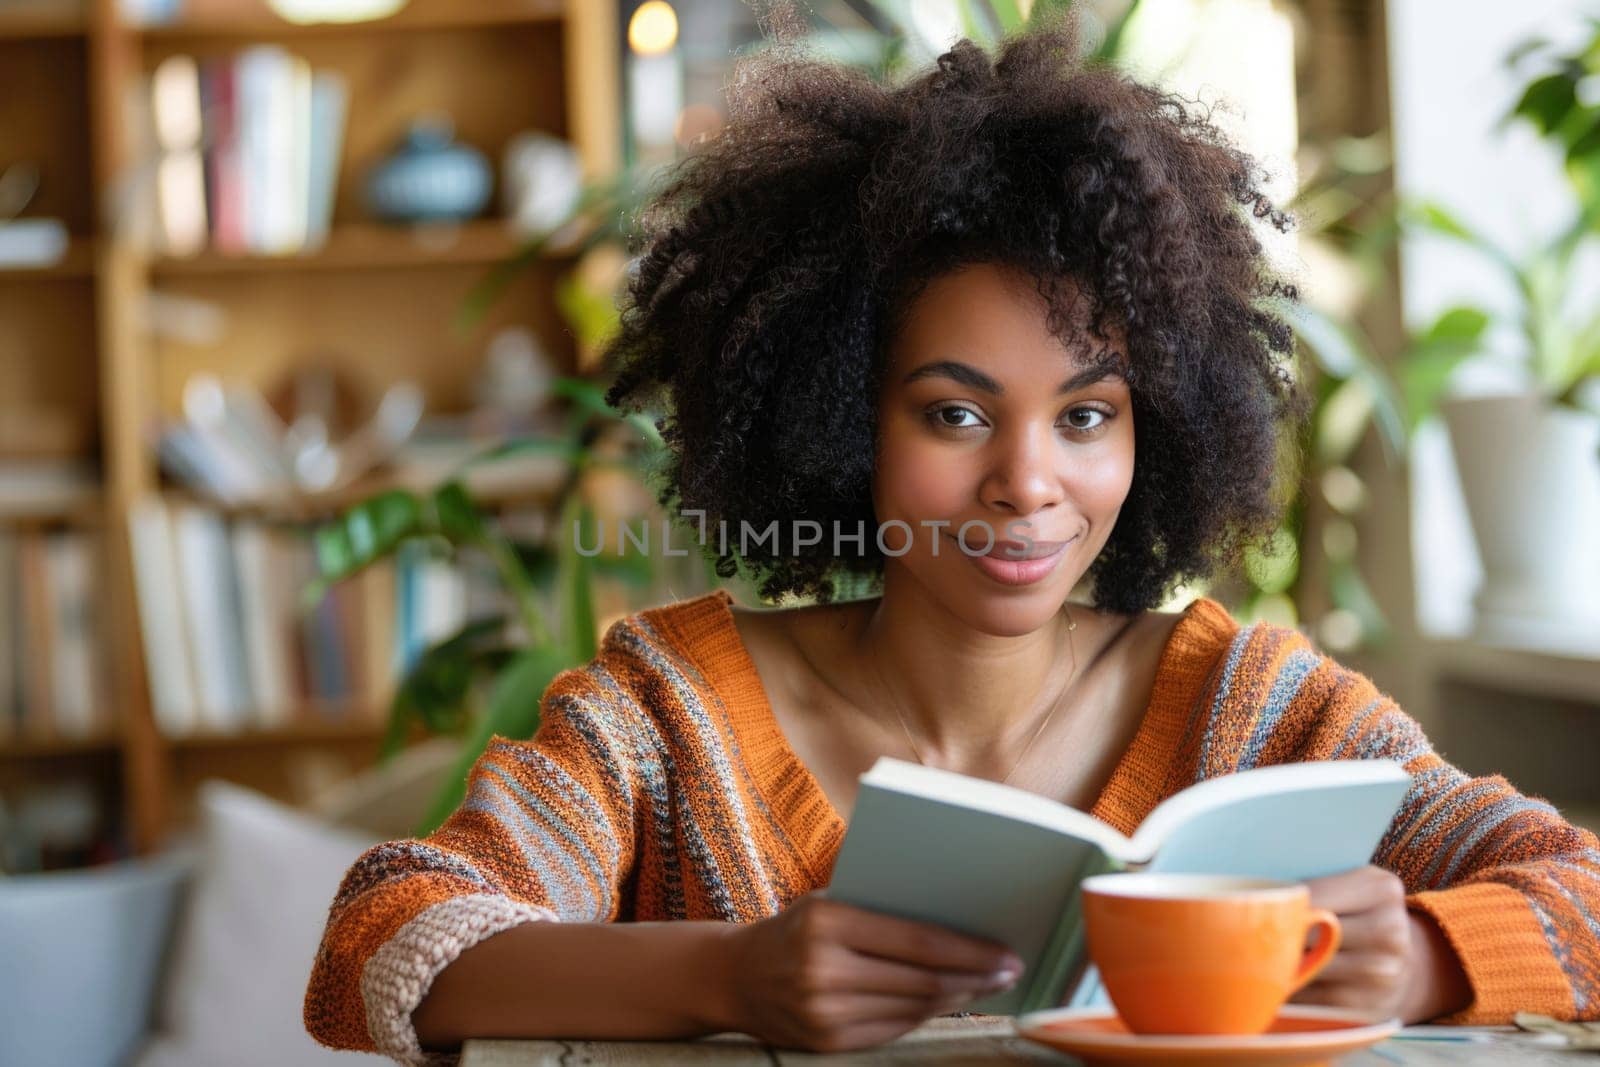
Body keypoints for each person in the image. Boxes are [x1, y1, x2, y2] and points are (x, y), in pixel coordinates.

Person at [304, 11, 1600, 1063]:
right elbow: (382, 937)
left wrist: (1429, 953)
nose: (1028, 483)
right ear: (834, 418)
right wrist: (728, 973)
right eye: (954, 412)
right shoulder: (663, 714)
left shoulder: (1258, 710)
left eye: (1087, 413)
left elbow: (1583, 890)